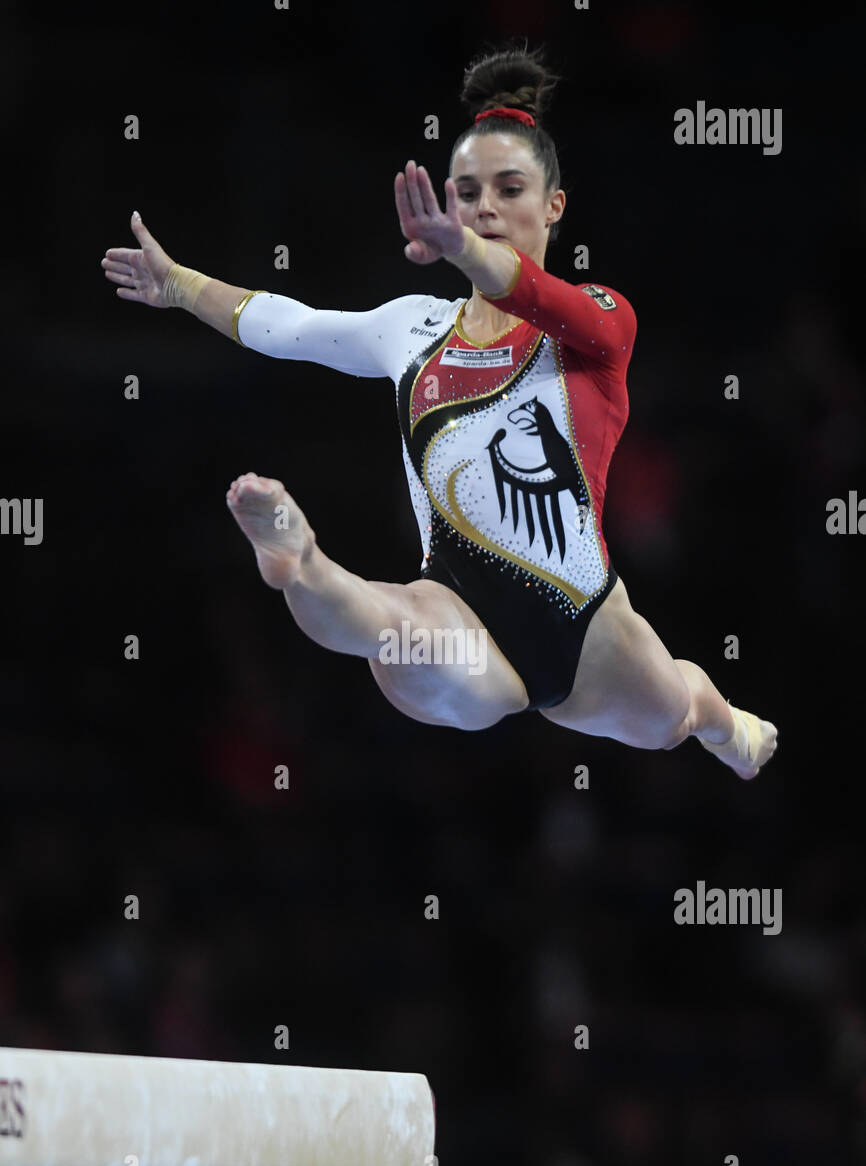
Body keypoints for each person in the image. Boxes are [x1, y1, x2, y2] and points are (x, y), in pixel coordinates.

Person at [100, 41, 776, 779]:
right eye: (467, 192)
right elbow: (287, 325)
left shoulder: (599, 325)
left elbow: (534, 293)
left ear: (554, 205)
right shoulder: (412, 329)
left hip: (585, 632)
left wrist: (465, 250)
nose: (485, 206)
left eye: (509, 189)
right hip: (459, 612)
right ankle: (303, 563)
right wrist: (180, 286)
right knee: (395, 637)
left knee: (675, 714)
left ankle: (727, 729)